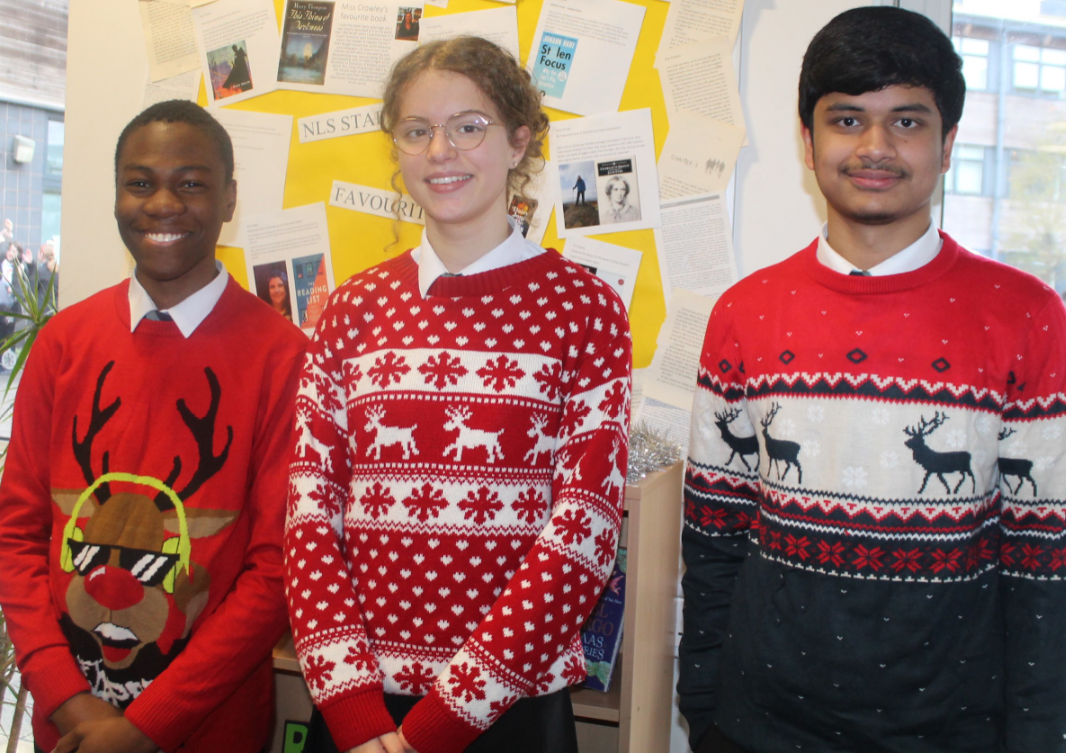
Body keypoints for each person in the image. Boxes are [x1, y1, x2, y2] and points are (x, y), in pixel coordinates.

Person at [679, 7, 1066, 753]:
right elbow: (714, 535)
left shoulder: (1026, 314)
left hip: (952, 731)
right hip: (757, 726)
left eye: (906, 121)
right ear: (808, 141)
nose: (874, 146)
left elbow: (1048, 566)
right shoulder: (745, 312)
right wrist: (702, 704)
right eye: (846, 119)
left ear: (949, 142)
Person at [286, 36, 631, 753]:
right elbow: (310, 513)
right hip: (361, 713)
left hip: (512, 708)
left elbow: (586, 528)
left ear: (518, 141)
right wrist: (355, 712)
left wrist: (441, 723)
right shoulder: (352, 309)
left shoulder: (585, 308)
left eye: (469, 126)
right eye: (417, 131)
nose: (441, 150)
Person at [0, 99, 309, 753]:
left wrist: (145, 727)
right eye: (140, 182)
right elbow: (17, 534)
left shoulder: (283, 358)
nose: (163, 203)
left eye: (191, 183)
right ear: (116, 194)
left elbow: (276, 568)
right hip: (71, 727)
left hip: (206, 729)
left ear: (229, 198)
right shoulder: (63, 343)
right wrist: (70, 699)